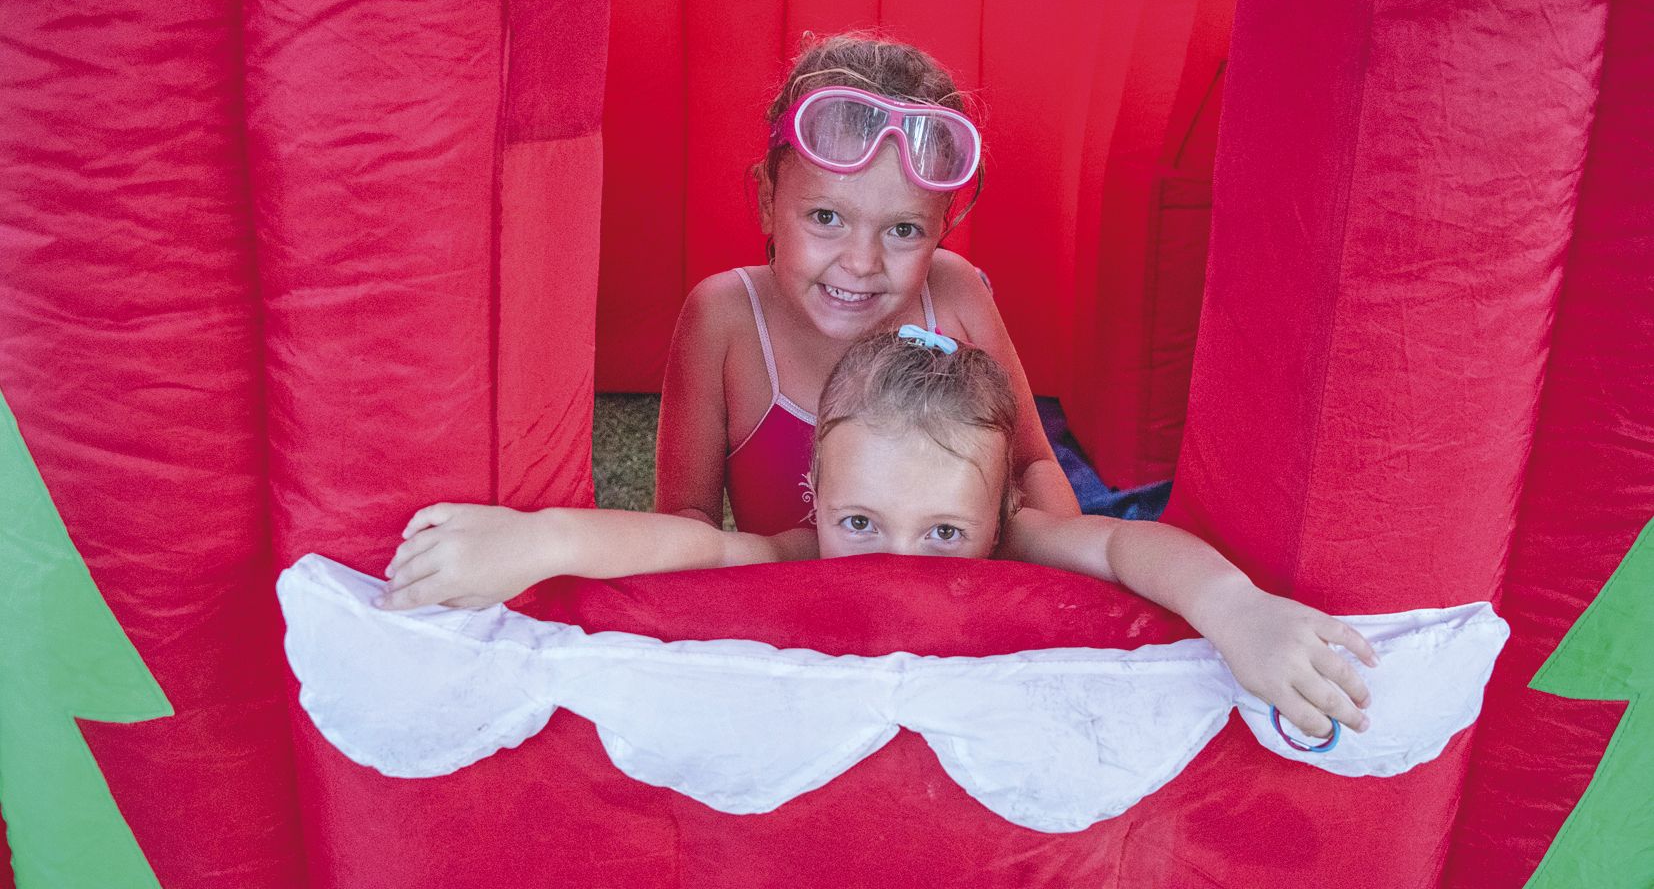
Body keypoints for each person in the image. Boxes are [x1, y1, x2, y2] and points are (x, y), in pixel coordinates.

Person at [381, 330, 1377, 741]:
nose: (898, 558)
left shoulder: (1015, 545)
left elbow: (1125, 549)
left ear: (992, 525)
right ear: (811, 497)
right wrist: (539, 539)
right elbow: (681, 546)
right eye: (862, 521)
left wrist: (1235, 607)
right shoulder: (795, 552)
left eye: (942, 530)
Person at [655, 32, 1080, 541]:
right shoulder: (723, 319)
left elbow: (1032, 464)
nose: (860, 264)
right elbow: (686, 517)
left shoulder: (955, 292)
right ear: (768, 200)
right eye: (826, 216)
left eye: (903, 229)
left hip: (952, 608)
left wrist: (1068, 588)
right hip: (787, 614)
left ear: (942, 226)